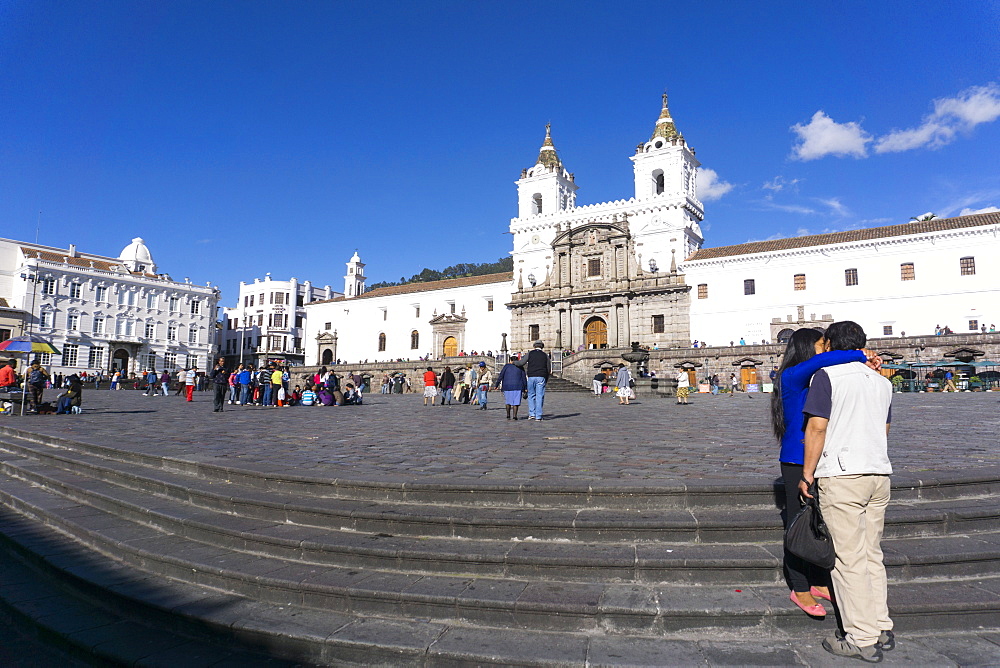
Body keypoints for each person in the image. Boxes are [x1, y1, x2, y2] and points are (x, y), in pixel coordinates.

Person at [799, 321, 894, 663]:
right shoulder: (882, 383)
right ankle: (881, 625)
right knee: (871, 554)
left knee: (848, 558)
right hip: (878, 473)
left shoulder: (827, 377)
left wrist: (807, 473)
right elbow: (883, 428)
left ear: (831, 345)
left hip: (843, 475)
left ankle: (861, 637)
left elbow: (817, 427)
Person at [770, 328, 868, 619]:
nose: (825, 350)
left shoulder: (814, 377)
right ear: (805, 347)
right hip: (797, 461)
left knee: (818, 523)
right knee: (798, 524)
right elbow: (841, 356)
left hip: (819, 459)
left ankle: (816, 580)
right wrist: (861, 354)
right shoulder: (793, 375)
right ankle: (799, 586)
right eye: (821, 345)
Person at [515, 340, 550, 420]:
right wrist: (546, 378)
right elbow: (548, 368)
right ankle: (539, 416)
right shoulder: (545, 355)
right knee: (540, 396)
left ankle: (532, 414)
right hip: (541, 377)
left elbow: (521, 363)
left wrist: (514, 362)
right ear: (542, 346)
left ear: (534, 346)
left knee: (531, 395)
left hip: (531, 376)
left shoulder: (530, 354)